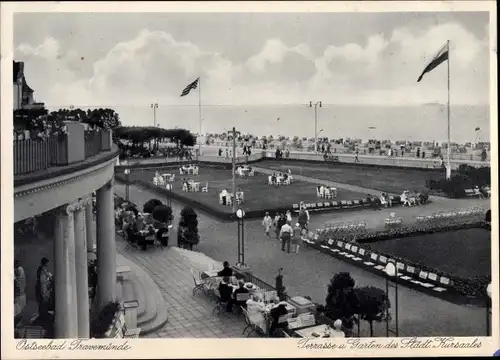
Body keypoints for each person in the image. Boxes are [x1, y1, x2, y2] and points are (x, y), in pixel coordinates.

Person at [14, 260, 27, 326]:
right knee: (18, 313)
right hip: (19, 295)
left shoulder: (20, 270)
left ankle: (18, 324)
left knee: (19, 312)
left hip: (20, 295)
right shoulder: (20, 270)